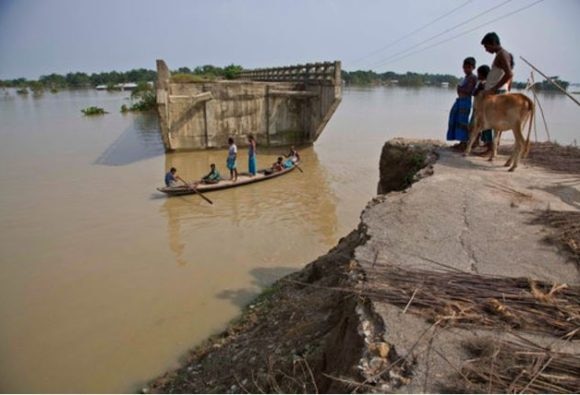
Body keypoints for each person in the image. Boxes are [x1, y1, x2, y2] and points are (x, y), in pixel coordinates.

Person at [478, 32, 513, 155]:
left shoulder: (502, 55)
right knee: (492, 120)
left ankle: (491, 148)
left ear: (493, 43)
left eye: (487, 47)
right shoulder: (501, 54)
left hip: (497, 93)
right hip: (497, 91)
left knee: (491, 120)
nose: (486, 50)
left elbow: (509, 74)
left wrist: (493, 89)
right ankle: (491, 147)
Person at [446, 57, 478, 150]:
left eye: (468, 67)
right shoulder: (466, 77)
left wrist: (460, 88)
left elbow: (470, 91)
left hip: (465, 101)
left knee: (462, 121)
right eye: (464, 67)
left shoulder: (473, 78)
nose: (466, 69)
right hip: (460, 100)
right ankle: (461, 141)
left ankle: (464, 142)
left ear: (473, 67)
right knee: (455, 118)